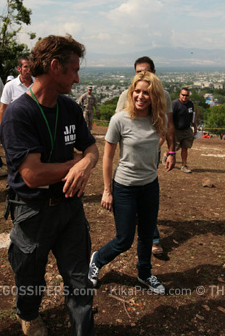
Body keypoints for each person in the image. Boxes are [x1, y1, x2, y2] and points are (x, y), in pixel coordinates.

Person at [0, 35, 98, 336]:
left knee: (79, 280)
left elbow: (92, 148)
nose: (78, 78)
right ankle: (28, 315)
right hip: (33, 211)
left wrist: (87, 162)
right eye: (73, 70)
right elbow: (33, 175)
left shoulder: (68, 108)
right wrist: (75, 164)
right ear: (55, 67)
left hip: (70, 208)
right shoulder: (20, 114)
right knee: (30, 277)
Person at [89, 71, 167, 294]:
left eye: (147, 93)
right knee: (124, 239)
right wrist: (107, 190)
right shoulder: (119, 119)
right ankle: (97, 259)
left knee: (146, 235)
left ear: (155, 96)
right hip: (124, 187)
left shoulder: (159, 119)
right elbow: (107, 156)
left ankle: (144, 274)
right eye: (137, 91)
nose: (140, 96)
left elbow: (159, 140)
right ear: (131, 92)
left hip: (150, 186)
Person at [115, 56, 176, 256]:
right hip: (130, 156)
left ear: (154, 73)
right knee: (136, 198)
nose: (143, 75)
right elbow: (118, 124)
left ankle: (150, 239)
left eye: (147, 71)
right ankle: (150, 238)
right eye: (139, 72)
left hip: (152, 155)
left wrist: (169, 150)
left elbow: (167, 125)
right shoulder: (126, 94)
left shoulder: (163, 95)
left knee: (146, 195)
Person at [0, 56, 33, 123]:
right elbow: (3, 109)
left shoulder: (38, 84)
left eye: (31, 66)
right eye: (26, 67)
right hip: (17, 125)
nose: (29, 69)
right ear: (19, 68)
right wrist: (2, 129)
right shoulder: (10, 86)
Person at [172, 87, 197, 173]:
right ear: (180, 94)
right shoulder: (175, 104)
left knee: (185, 148)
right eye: (183, 95)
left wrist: (195, 127)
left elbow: (192, 116)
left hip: (187, 129)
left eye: (187, 95)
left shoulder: (190, 104)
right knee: (173, 148)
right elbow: (170, 117)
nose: (185, 97)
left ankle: (183, 165)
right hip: (176, 130)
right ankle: (167, 156)